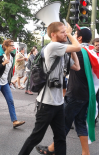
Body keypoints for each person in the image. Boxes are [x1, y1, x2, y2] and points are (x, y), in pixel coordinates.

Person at [18, 22, 81, 155]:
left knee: (60, 137)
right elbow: (77, 47)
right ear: (53, 35)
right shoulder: (53, 46)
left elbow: (77, 67)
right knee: (36, 137)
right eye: (62, 32)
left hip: (58, 103)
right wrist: (70, 36)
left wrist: (72, 50)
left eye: (66, 32)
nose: (65, 34)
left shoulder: (62, 52)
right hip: (46, 104)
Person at [36, 26, 99, 155]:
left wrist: (67, 35)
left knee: (63, 123)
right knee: (80, 123)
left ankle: (52, 149)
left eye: (75, 34)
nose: (72, 35)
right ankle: (85, 153)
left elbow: (71, 55)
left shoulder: (81, 50)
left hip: (75, 92)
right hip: (87, 93)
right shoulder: (93, 51)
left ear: (79, 38)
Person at [0, 39, 25, 128]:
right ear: (6, 46)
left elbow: (9, 71)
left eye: (13, 45)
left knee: (10, 101)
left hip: (5, 83)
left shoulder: (12, 55)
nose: (13, 47)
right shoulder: (0, 57)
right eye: (11, 45)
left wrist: (10, 80)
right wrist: (3, 63)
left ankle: (15, 121)